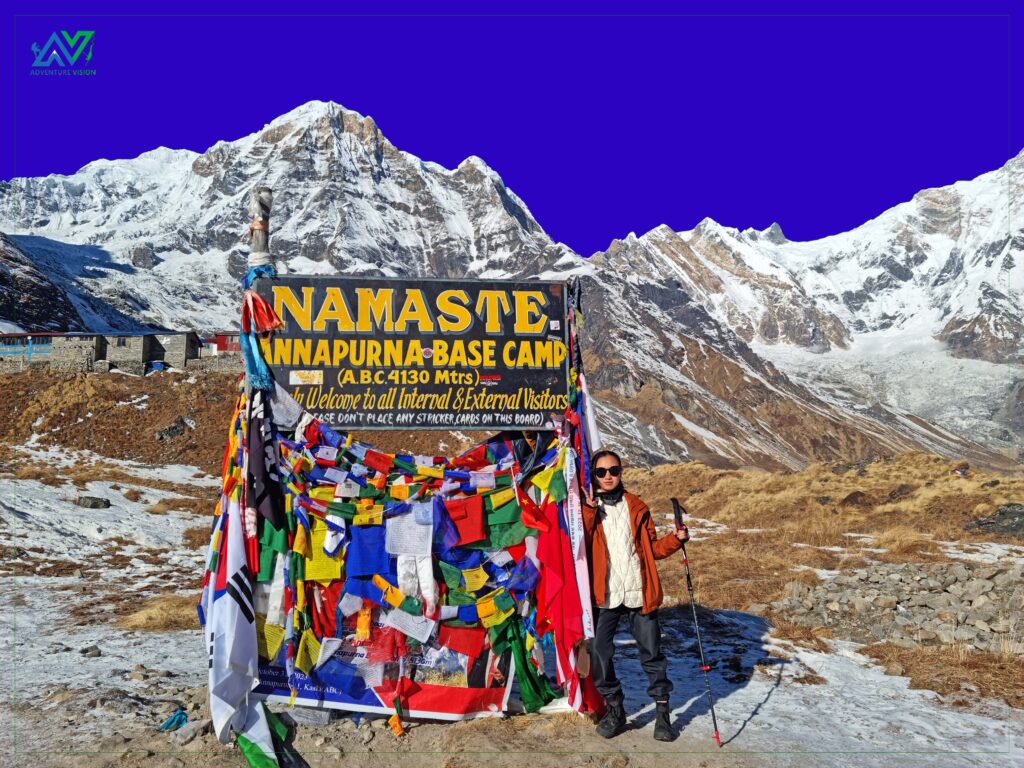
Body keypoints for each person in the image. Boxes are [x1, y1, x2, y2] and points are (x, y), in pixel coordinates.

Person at [582, 449, 689, 742]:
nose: (608, 476)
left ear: (621, 472)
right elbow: (582, 543)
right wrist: (589, 510)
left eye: (613, 470)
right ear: (593, 475)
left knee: (652, 655)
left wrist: (674, 541)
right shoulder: (587, 509)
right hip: (605, 596)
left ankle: (663, 716)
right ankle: (616, 710)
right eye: (601, 472)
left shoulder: (637, 507)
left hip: (640, 594)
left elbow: (652, 549)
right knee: (599, 653)